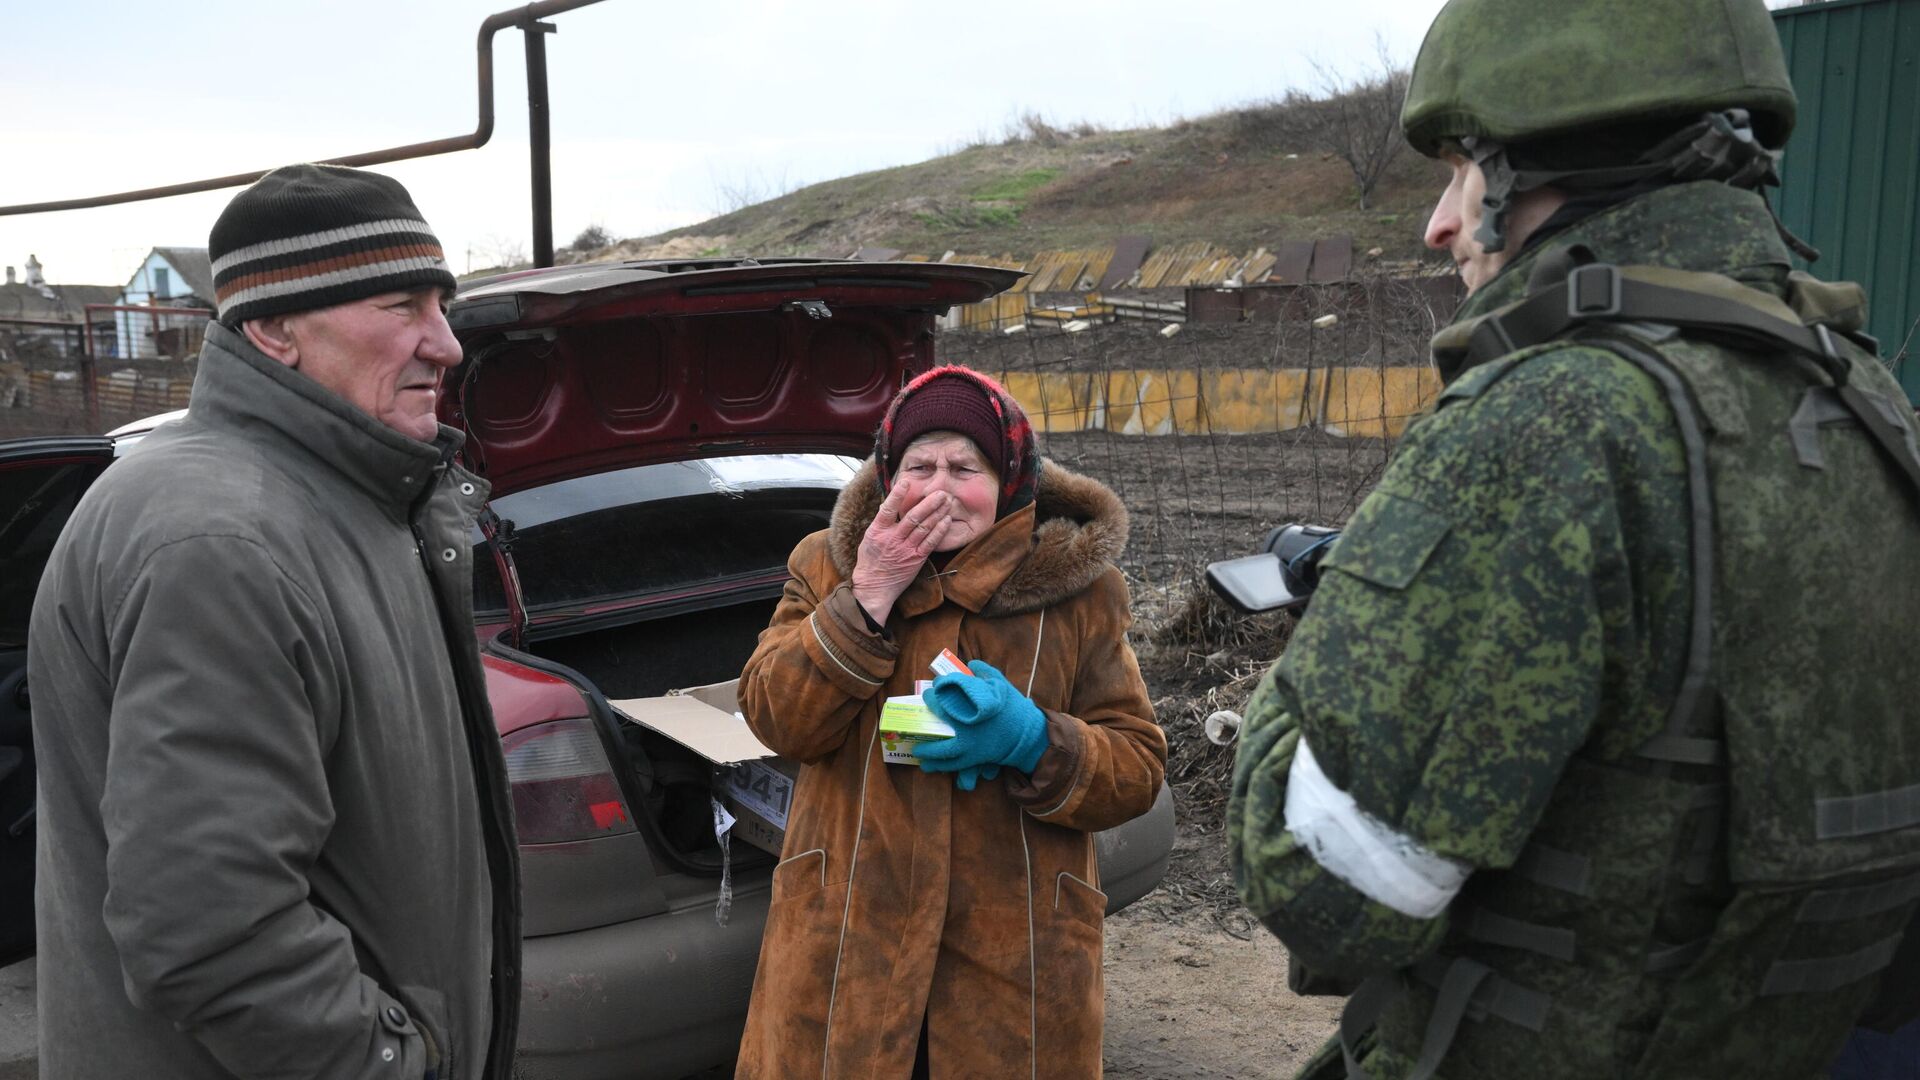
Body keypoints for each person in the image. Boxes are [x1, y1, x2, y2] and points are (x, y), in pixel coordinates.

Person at [1225, 1, 1920, 1077]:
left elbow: (1323, 885)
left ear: (1542, 176)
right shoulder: (1865, 402)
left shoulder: (1549, 422)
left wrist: (1338, 644)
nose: (1440, 225)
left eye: (1462, 171)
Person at [29, 164, 520, 1080]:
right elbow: (209, 925)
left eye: (441, 305)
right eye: (402, 306)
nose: (446, 344)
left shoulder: (349, 501)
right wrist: (392, 1063)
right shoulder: (222, 541)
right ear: (272, 330)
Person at [734, 365, 1166, 1079]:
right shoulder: (828, 565)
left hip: (1013, 956)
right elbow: (776, 720)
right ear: (886, 478)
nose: (938, 487)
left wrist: (1036, 741)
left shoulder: (1078, 591)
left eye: (965, 467)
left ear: (1009, 481)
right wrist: (867, 593)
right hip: (849, 939)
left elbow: (1138, 767)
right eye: (919, 465)